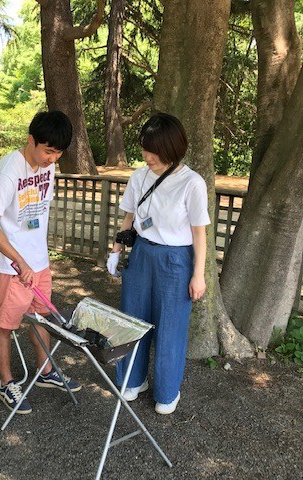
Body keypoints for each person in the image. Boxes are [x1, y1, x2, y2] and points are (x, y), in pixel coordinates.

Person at [106, 112, 209, 415]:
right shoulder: (139, 176)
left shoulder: (192, 183)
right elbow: (129, 217)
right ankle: (132, 380)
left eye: (154, 150)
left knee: (170, 326)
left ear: (172, 149)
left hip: (176, 260)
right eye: (145, 148)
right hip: (141, 255)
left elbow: (199, 232)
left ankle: (166, 391)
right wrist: (116, 251)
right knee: (132, 320)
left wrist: (198, 274)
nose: (147, 156)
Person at [0, 110, 81, 415]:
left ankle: (46, 371)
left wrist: (35, 260)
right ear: (30, 140)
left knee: (41, 319)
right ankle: (6, 383)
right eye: (48, 150)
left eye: (59, 152)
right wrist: (19, 260)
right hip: (11, 266)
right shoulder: (10, 168)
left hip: (38, 262)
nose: (52, 159)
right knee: (5, 325)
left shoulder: (48, 167)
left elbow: (35, 215)